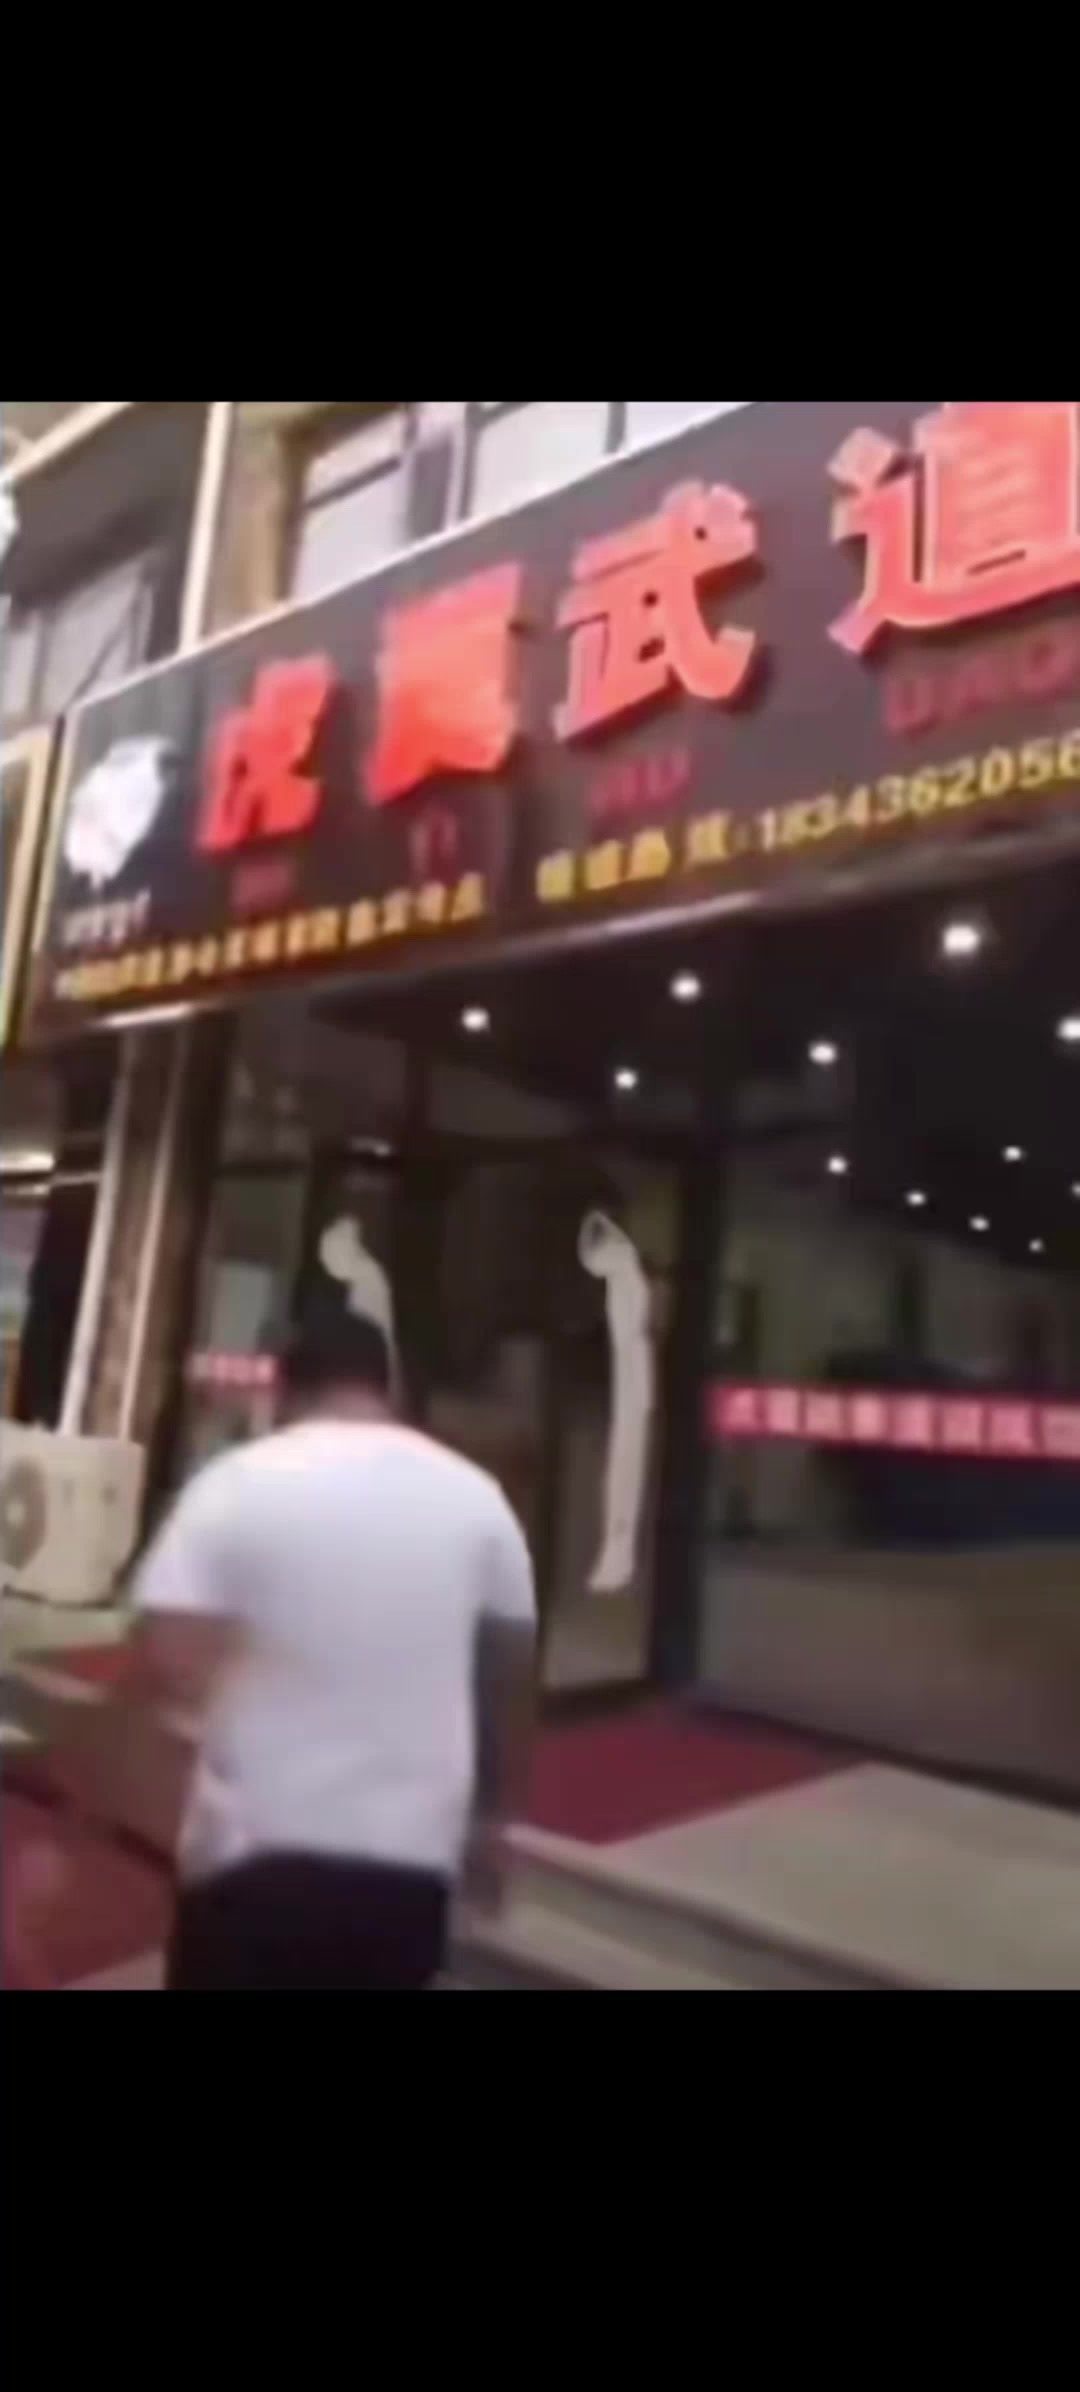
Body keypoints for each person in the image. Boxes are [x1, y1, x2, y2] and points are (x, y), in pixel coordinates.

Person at [15, 1304, 537, 1993]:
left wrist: (79, 1821)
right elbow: (505, 1684)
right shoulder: (480, 1502)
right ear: (390, 1390)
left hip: (254, 1868)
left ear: (286, 1388)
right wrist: (492, 1825)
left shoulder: (234, 1484)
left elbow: (163, 1670)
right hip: (407, 1874)